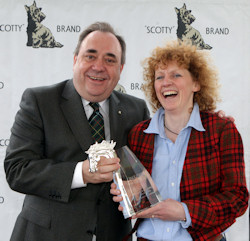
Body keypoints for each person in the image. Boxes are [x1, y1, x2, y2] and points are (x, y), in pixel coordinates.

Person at [4, 22, 150, 241]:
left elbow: (145, 171)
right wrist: (81, 172)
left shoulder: (136, 109)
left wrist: (139, 185)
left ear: (120, 69)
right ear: (75, 60)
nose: (99, 66)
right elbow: (18, 170)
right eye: (90, 56)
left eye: (110, 60)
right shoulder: (40, 101)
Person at [111, 40, 249, 241]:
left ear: (196, 83)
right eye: (160, 77)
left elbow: (237, 198)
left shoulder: (221, 130)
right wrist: (124, 192)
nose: (166, 82)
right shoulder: (139, 135)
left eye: (176, 75)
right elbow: (133, 192)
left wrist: (184, 211)